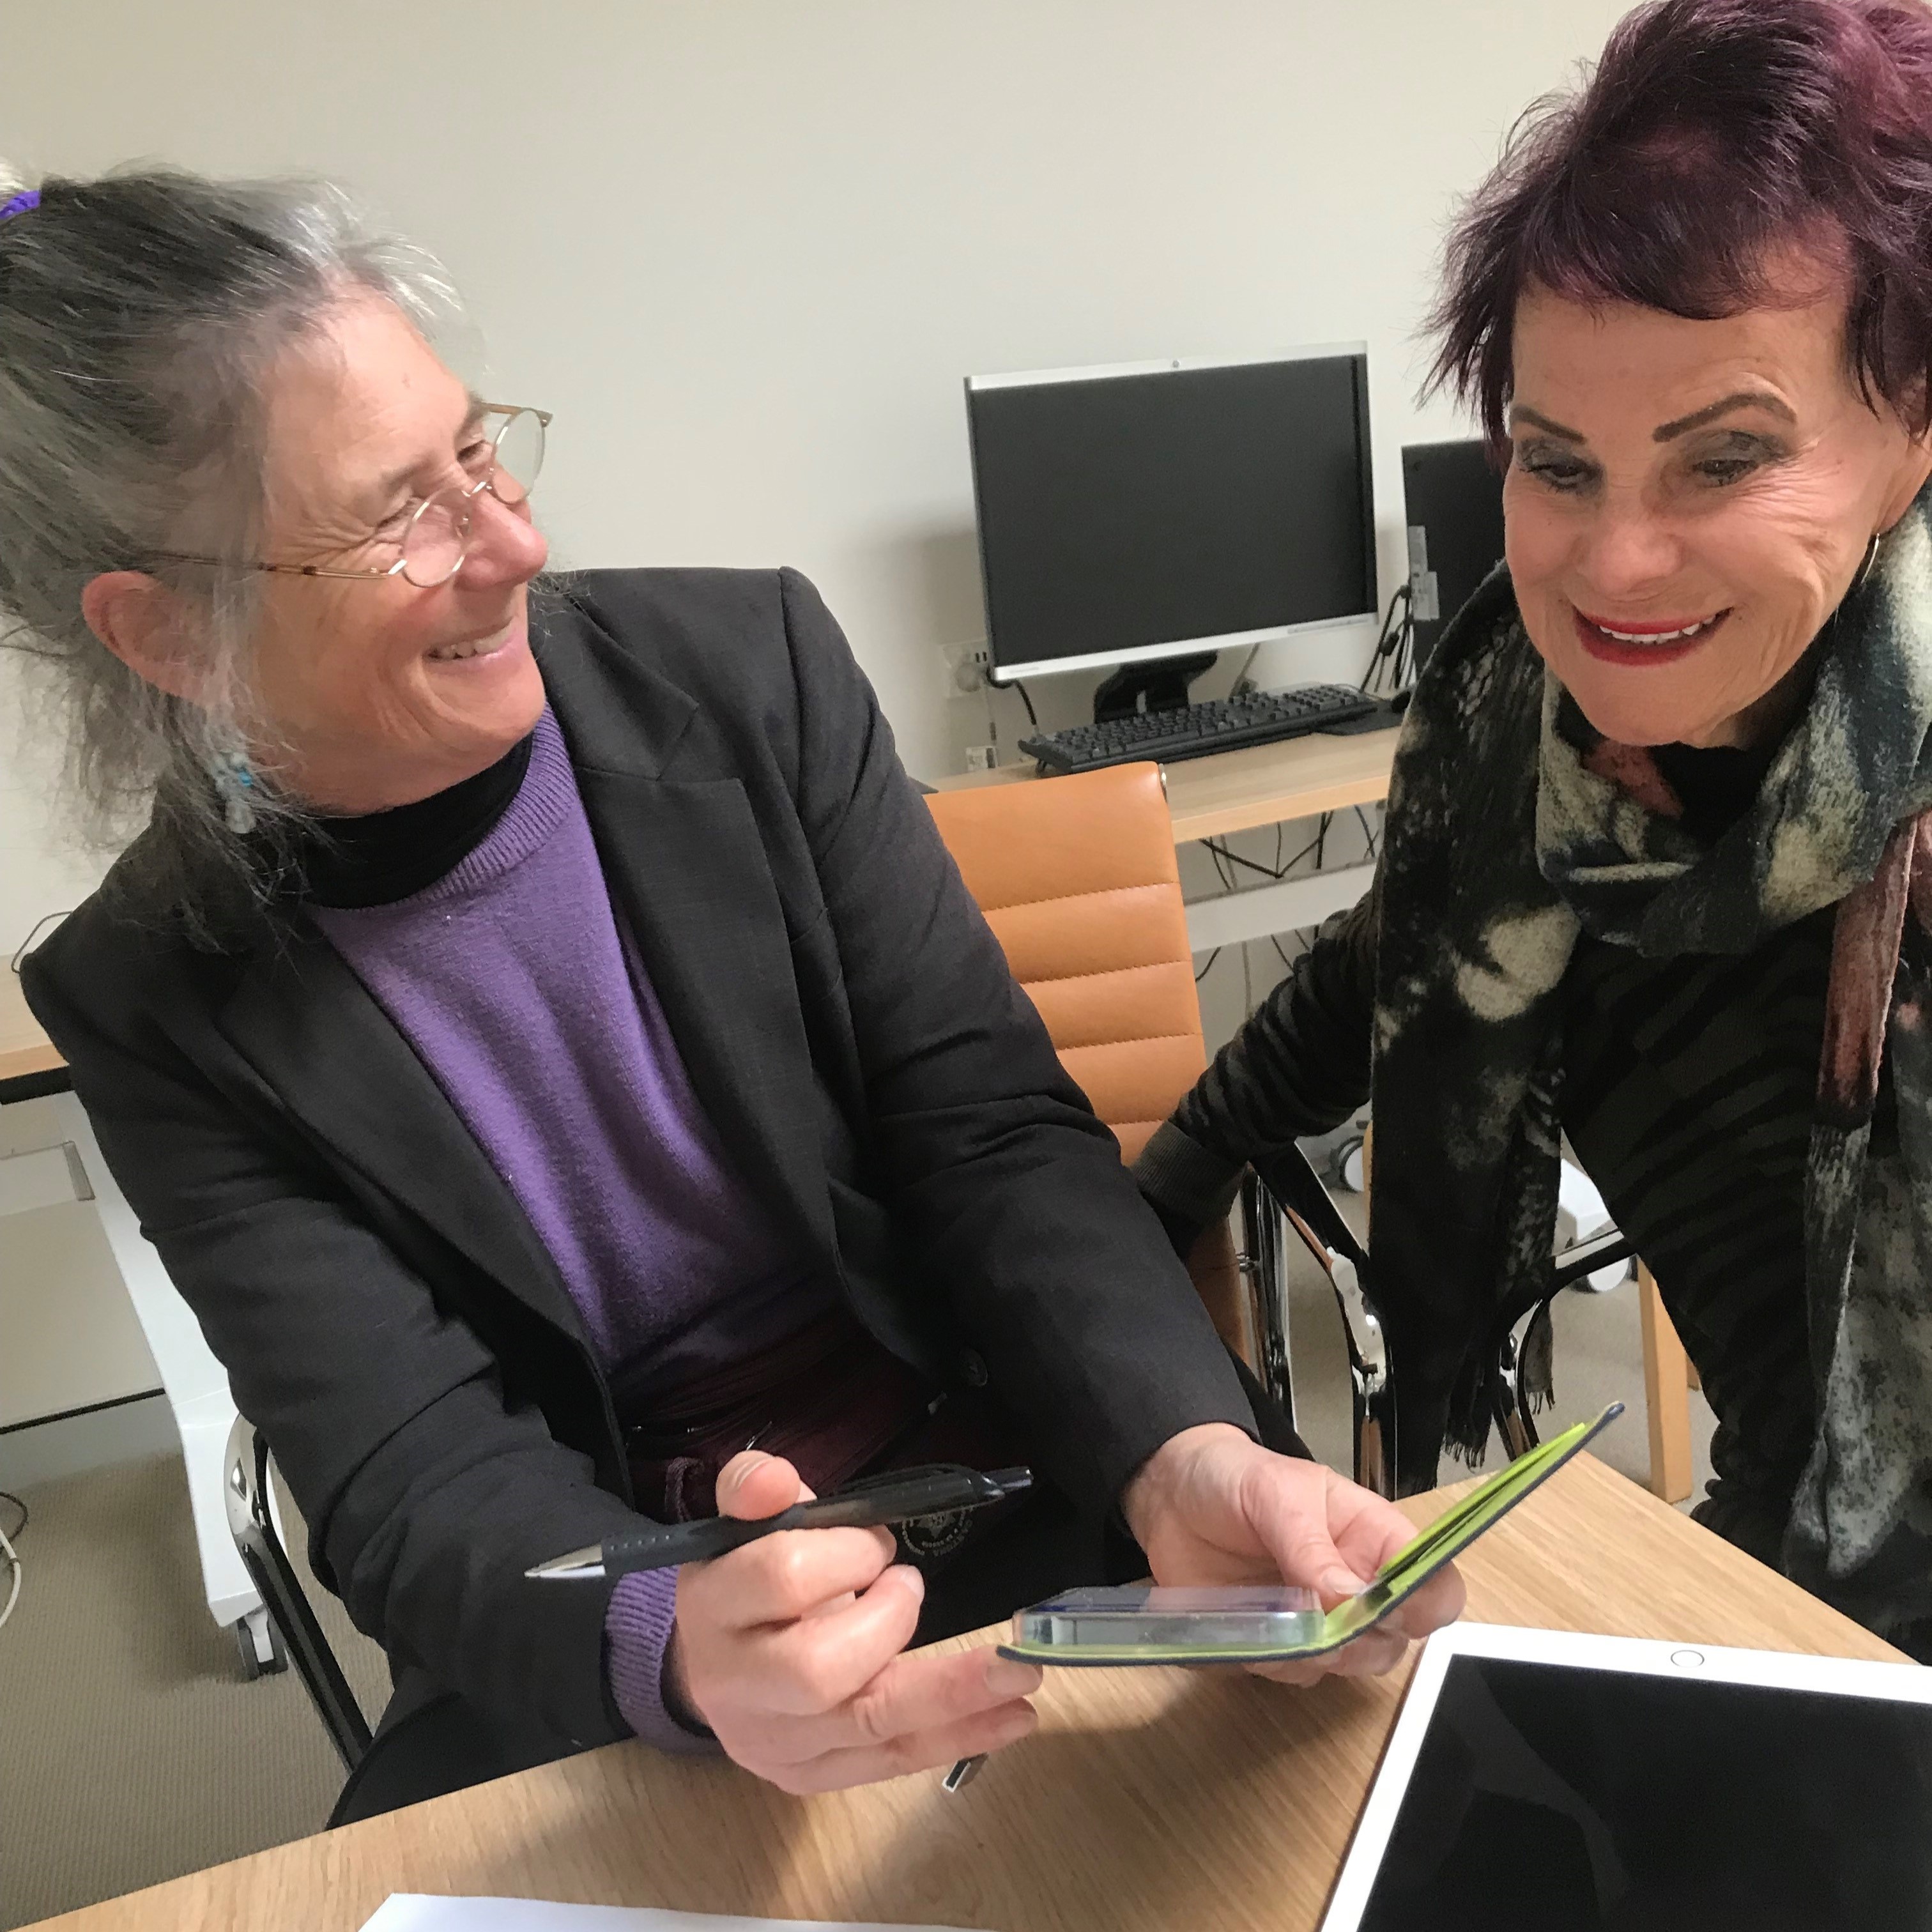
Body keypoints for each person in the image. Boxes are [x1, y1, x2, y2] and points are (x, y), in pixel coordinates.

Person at [0, 164, 1459, 1818]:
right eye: (399, 515)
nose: (515, 545)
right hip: (612, 1583)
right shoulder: (149, 996)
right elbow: (409, 1469)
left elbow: (987, 1135)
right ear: (169, 636)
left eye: (479, 451)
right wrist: (672, 1639)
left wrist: (1179, 1451)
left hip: (997, 1472)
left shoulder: (746, 677)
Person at [1136, 0, 1932, 1655]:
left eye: (1724, 461)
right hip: (1782, 1564)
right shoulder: (1524, 742)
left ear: (1909, 437)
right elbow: (1373, 987)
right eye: (1558, 465)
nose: (1614, 565)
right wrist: (1140, 1228)